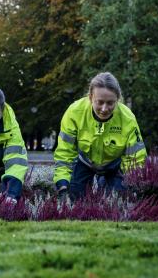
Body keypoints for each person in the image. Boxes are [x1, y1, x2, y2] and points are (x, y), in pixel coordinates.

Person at [54, 72, 147, 200]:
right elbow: (65, 153)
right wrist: (62, 184)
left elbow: (135, 159)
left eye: (110, 103)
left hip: (115, 165)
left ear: (118, 99)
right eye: (100, 102)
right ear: (91, 97)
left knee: (118, 201)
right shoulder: (74, 112)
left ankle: (105, 183)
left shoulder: (128, 118)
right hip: (84, 162)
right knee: (74, 198)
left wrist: (132, 185)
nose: (104, 109)